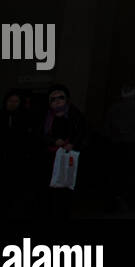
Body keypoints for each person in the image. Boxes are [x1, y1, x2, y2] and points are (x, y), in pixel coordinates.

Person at [0, 90, 39, 218]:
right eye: (10, 101)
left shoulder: (26, 119)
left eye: (16, 101)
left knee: (12, 195)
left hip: (16, 165)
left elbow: (29, 142)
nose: (12, 104)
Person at [41, 85, 88, 219]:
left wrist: (72, 144)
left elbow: (82, 132)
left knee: (66, 189)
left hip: (69, 158)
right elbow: (41, 135)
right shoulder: (46, 116)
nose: (57, 101)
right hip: (50, 157)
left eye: (61, 98)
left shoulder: (75, 114)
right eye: (53, 99)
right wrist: (53, 141)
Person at [101, 84, 135, 213]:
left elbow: (106, 129)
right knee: (130, 174)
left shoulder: (114, 108)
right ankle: (127, 202)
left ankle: (115, 201)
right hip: (133, 145)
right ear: (134, 93)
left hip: (115, 145)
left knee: (115, 174)